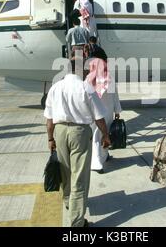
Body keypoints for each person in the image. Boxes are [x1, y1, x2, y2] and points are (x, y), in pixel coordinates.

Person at [44, 58, 111, 227]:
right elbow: (99, 117)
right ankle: (77, 224)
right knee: (79, 178)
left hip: (59, 132)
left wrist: (50, 138)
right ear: (81, 70)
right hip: (79, 133)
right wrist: (105, 135)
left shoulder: (55, 87)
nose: (89, 72)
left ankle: (69, 203)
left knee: (65, 172)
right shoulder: (85, 87)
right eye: (87, 69)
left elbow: (49, 120)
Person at [86, 57, 122, 173]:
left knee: (96, 138)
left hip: (95, 115)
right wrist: (117, 111)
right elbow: (116, 97)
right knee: (106, 136)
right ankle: (99, 161)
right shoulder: (110, 79)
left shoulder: (88, 80)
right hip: (107, 114)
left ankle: (98, 162)